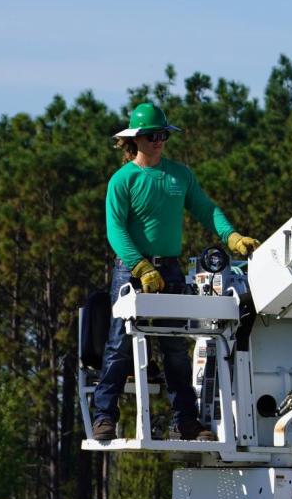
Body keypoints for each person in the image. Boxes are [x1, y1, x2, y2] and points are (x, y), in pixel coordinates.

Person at [91, 102, 260, 442]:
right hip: (131, 269)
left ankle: (186, 422)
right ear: (134, 140)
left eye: (164, 135)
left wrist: (232, 236)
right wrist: (140, 266)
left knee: (175, 349)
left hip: (168, 268)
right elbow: (115, 231)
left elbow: (206, 209)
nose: (159, 141)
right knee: (119, 345)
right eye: (153, 135)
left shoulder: (179, 175)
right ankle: (103, 417)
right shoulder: (123, 180)